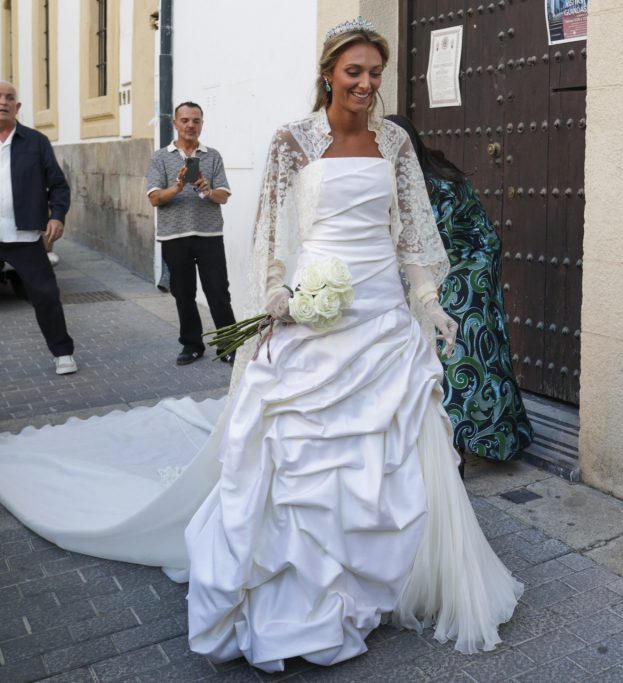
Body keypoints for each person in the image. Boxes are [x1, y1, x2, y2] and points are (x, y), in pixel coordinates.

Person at [0, 19, 521, 674]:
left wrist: (425, 302)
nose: (366, 83)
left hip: (382, 319)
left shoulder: (393, 143)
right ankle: (304, 589)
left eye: (375, 72)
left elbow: (412, 232)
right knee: (299, 448)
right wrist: (280, 299)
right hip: (318, 310)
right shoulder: (292, 142)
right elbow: (272, 233)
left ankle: (391, 581)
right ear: (328, 73)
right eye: (353, 71)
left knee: (395, 447)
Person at [385, 114, 534, 468]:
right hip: (449, 265)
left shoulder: (435, 184)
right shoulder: (416, 174)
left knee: (460, 352)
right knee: (463, 350)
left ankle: (457, 447)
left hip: (471, 265)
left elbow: (426, 244)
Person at [147, 102, 238, 365]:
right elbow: (154, 198)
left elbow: (224, 196)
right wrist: (177, 187)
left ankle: (229, 344)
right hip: (175, 237)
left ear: (202, 124)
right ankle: (192, 345)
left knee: (218, 292)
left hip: (209, 235)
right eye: (185, 120)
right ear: (175, 124)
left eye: (196, 120)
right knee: (184, 294)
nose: (190, 125)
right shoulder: (160, 157)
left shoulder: (212, 156)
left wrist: (208, 191)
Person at [0, 80, 76, 375]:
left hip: (25, 234)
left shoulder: (36, 142)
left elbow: (58, 185)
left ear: (17, 107)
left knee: (45, 295)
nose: (3, 102)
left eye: (10, 98)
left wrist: (57, 216)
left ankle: (63, 353)